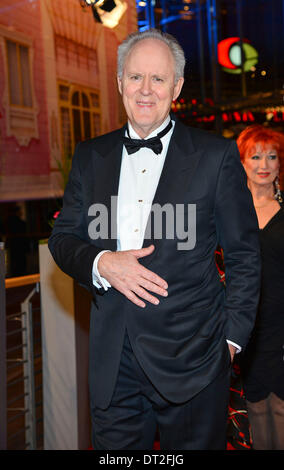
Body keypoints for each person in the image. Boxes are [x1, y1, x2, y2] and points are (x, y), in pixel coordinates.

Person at [48, 29, 261, 450]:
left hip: (194, 360)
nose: (145, 90)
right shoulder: (92, 156)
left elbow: (244, 257)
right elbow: (63, 238)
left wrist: (231, 342)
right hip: (113, 364)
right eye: (135, 77)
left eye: (158, 79)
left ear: (177, 87)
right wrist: (101, 261)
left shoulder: (216, 157)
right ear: (119, 82)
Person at [237, 124, 284, 450]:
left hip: (282, 326)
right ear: (242, 162)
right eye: (255, 156)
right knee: (255, 404)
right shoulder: (230, 214)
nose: (264, 164)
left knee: (281, 406)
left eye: (272, 156)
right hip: (247, 326)